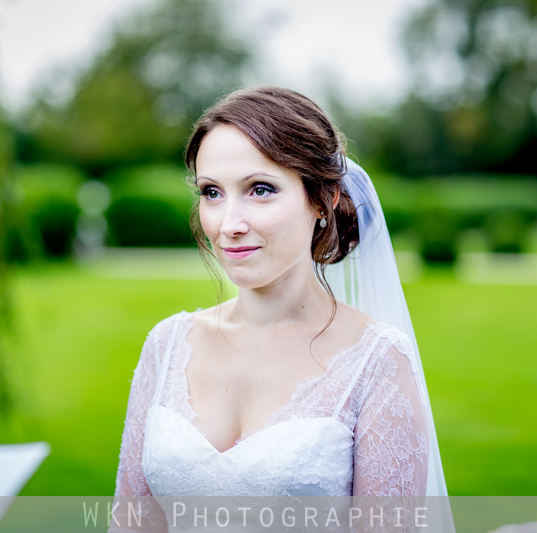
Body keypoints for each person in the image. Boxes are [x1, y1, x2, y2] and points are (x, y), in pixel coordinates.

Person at [111, 86, 454, 532]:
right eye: (212, 192)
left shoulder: (376, 361)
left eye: (260, 189)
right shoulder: (168, 345)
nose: (229, 224)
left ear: (323, 200)